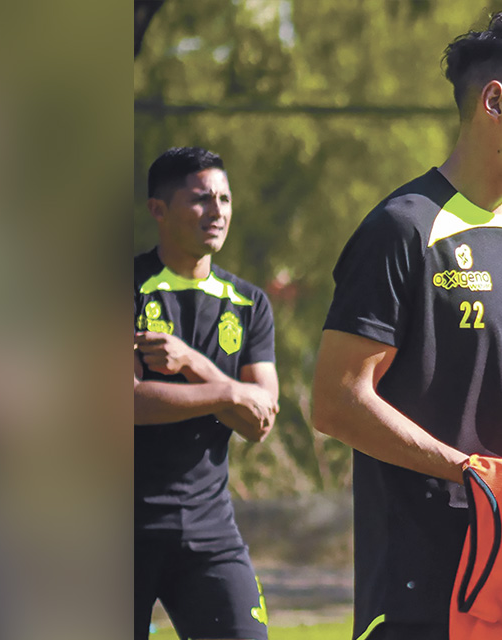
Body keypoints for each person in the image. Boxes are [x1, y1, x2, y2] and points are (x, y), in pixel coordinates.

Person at [309, 10, 502, 640]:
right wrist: (470, 473)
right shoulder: (403, 228)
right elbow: (336, 402)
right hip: (424, 582)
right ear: (493, 100)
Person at [133, 147, 279, 640]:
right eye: (201, 200)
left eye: (224, 198)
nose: (217, 212)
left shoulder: (249, 303)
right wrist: (229, 395)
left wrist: (193, 364)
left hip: (208, 529)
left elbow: (261, 422)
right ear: (158, 209)